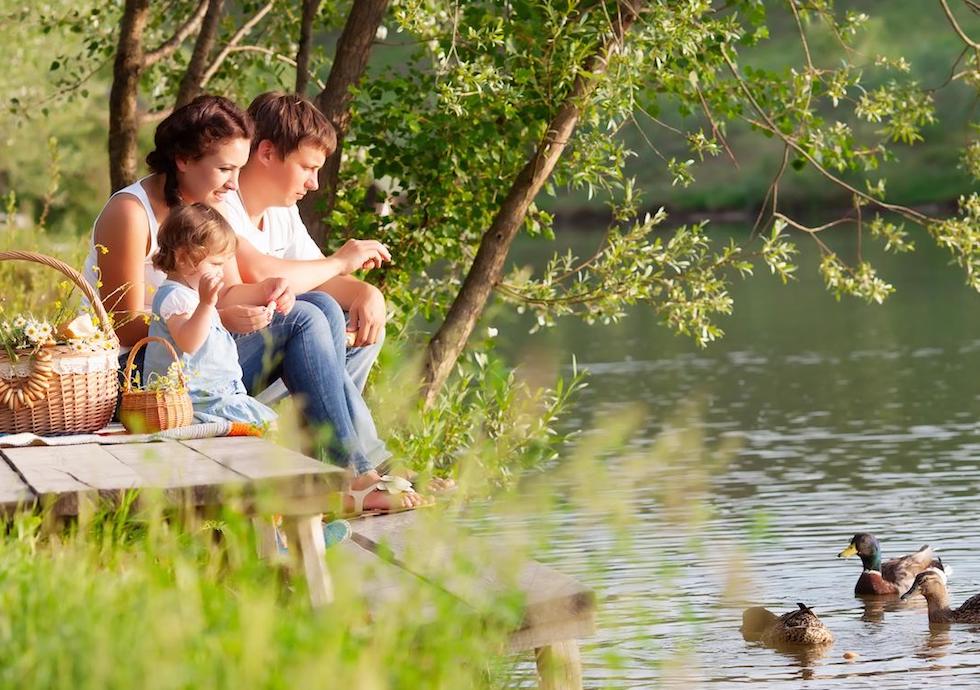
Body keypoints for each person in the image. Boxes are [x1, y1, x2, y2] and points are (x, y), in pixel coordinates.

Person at [85, 94, 427, 513]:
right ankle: (353, 474)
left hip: (197, 358)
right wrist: (214, 317)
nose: (232, 183)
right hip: (144, 376)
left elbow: (227, 292)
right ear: (183, 159)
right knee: (303, 317)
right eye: (225, 168)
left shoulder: (202, 208)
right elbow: (125, 326)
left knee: (312, 304)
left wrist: (272, 291)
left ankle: (337, 470)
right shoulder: (130, 212)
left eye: (237, 169)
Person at [144, 202, 277, 427]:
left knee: (269, 424)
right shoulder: (175, 297)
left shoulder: (191, 296)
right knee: (265, 426)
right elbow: (189, 342)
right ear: (184, 258)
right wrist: (207, 305)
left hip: (215, 393)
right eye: (215, 263)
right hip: (192, 400)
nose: (221, 271)